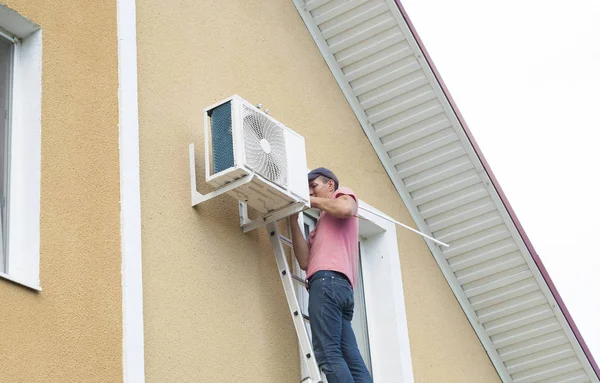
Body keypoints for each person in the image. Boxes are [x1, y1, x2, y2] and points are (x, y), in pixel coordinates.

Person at [290, 167, 373, 383]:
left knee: (328, 354)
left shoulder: (341, 195)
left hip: (328, 283)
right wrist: (292, 220)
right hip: (340, 291)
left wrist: (309, 200)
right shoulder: (319, 229)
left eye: (313, 186)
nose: (310, 192)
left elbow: (345, 208)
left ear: (330, 185)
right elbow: (304, 261)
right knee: (351, 360)